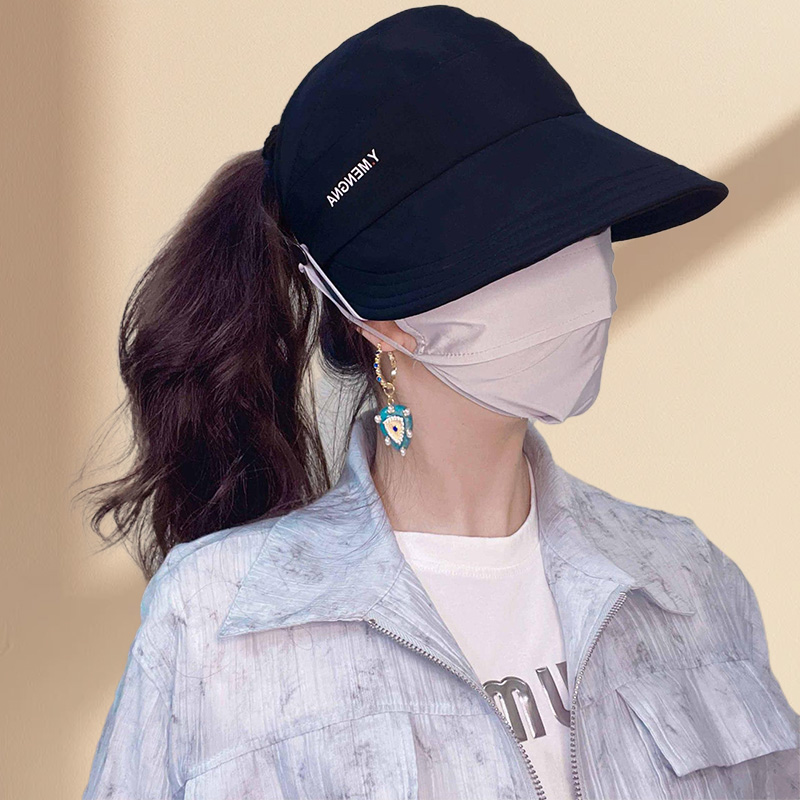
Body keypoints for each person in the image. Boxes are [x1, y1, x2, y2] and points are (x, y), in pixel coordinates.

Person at [80, 6, 799, 800]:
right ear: (377, 316)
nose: (583, 272)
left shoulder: (687, 580)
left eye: (583, 219)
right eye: (528, 236)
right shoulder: (216, 625)